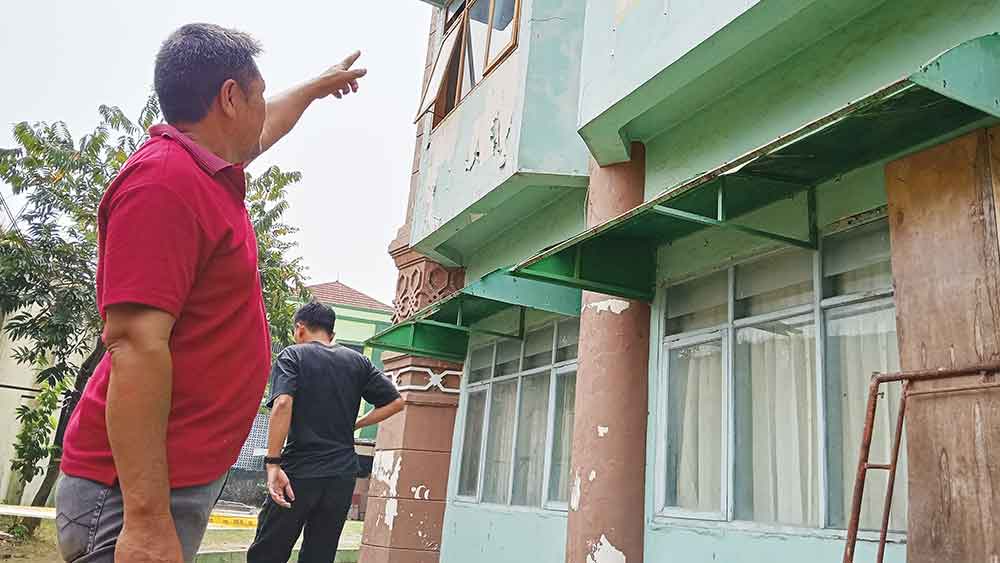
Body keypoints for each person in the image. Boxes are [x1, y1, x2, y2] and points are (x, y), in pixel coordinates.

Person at [55, 23, 368, 563]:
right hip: (127, 498)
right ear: (229, 98)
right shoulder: (163, 182)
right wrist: (146, 521)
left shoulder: (204, 174)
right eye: (258, 94)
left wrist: (316, 88)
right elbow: (134, 344)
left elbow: (268, 124)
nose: (264, 108)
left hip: (168, 482)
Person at [247, 302, 404, 563]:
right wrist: (357, 424)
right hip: (341, 476)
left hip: (298, 471)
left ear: (300, 329)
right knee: (320, 554)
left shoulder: (293, 355)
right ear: (331, 333)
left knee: (268, 552)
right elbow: (396, 402)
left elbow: (283, 404)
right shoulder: (358, 362)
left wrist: (273, 463)